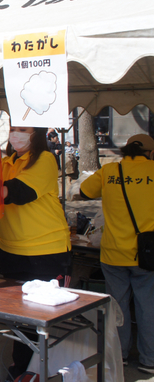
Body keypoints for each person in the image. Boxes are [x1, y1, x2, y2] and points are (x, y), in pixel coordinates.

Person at [0, 126, 72, 380]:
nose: (16, 134)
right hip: (10, 251)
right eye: (13, 129)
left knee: (44, 321)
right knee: (20, 321)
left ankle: (41, 373)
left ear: (37, 134)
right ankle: (21, 371)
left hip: (47, 252)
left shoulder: (45, 159)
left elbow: (18, 192)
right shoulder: (6, 163)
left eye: (23, 129)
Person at [80, 134, 154, 373]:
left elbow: (84, 191)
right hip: (147, 254)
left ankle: (119, 356)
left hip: (113, 253)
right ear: (150, 153)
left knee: (118, 306)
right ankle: (149, 360)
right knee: (147, 305)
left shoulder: (110, 170)